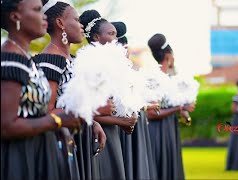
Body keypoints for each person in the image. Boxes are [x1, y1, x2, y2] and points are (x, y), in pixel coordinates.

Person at [1, 0, 81, 179]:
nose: (44, 16)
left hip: (38, 150)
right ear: (16, 17)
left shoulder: (24, 57)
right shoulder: (11, 58)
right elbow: (6, 126)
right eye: (37, 10)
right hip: (20, 157)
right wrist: (57, 121)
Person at [33, 1, 107, 180]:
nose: (81, 26)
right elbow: (46, 112)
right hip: (62, 143)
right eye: (76, 19)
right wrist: (91, 111)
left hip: (80, 138)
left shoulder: (73, 60)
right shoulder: (50, 60)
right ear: (60, 23)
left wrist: (93, 123)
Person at [79, 9, 138, 180]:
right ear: (96, 37)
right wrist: (121, 121)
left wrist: (129, 115)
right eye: (111, 33)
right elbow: (87, 111)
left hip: (113, 131)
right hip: (97, 134)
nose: (116, 39)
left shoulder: (111, 64)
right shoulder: (88, 64)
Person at [112, 21, 159, 180]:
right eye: (125, 49)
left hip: (133, 121)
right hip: (122, 123)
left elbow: (134, 98)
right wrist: (145, 107)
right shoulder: (114, 72)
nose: (127, 53)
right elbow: (122, 100)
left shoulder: (130, 71)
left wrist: (144, 106)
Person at [147, 33, 195, 180]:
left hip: (169, 129)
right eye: (173, 55)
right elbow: (151, 114)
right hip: (156, 132)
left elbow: (168, 106)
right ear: (168, 56)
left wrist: (184, 112)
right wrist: (179, 108)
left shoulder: (170, 79)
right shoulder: (153, 78)